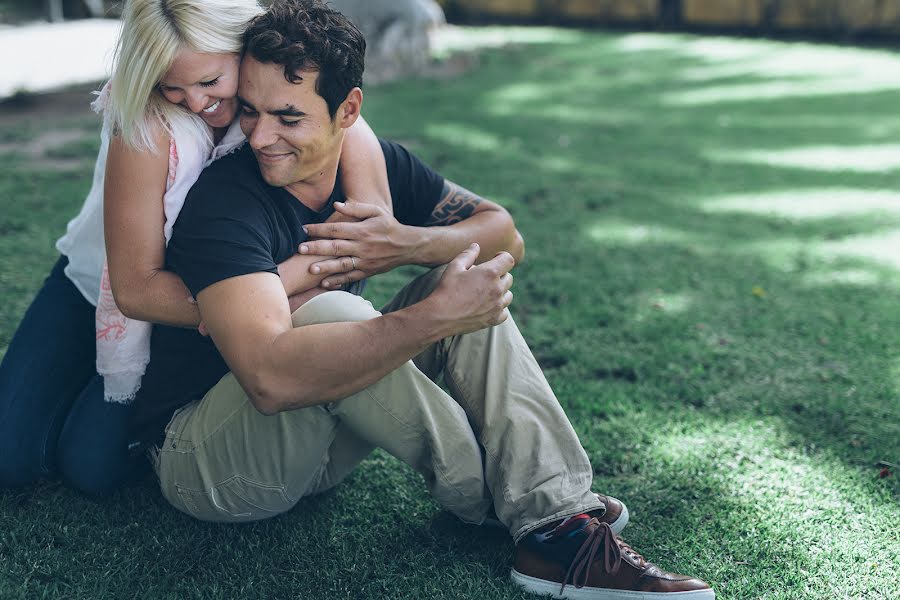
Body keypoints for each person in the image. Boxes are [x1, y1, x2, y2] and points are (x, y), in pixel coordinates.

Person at [134, 1, 717, 598]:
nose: (259, 136)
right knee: (335, 314)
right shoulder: (225, 204)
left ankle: (551, 517)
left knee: (461, 282)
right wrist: (431, 318)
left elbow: (504, 234)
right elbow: (267, 379)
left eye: (288, 117)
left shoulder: (378, 163)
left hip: (320, 448)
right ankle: (532, 509)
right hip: (211, 463)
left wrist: (411, 243)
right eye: (252, 112)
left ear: (348, 111)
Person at [0, 0, 391, 495]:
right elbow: (136, 291)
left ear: (245, 51)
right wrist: (252, 298)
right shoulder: (145, 123)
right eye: (172, 85)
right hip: (98, 284)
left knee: (91, 467)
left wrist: (252, 298)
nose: (194, 102)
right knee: (11, 457)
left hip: (197, 299)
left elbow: (369, 213)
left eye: (210, 81)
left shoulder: (281, 107)